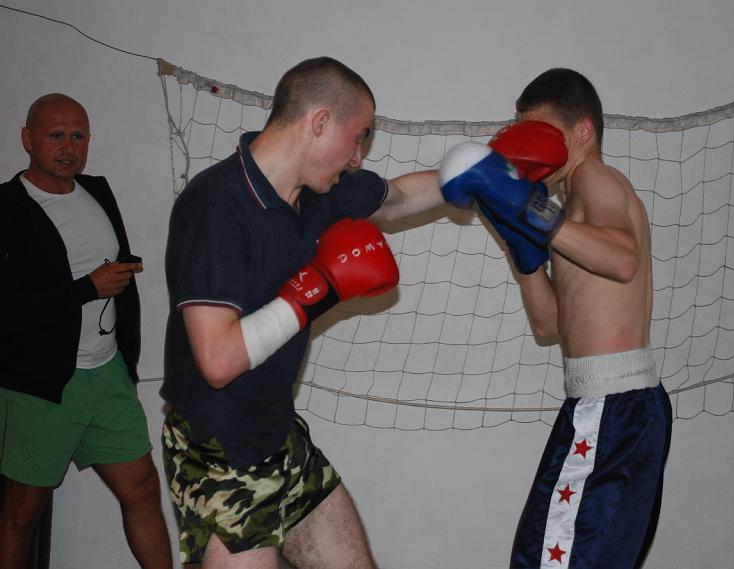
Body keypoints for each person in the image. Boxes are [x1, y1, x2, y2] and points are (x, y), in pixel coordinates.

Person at [160, 56, 445, 568]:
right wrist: (319, 288)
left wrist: (482, 175)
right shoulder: (216, 205)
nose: (356, 158)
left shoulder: (316, 195)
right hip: (218, 449)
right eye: (357, 137)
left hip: (277, 433)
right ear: (319, 123)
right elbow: (217, 359)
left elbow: (399, 198)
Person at [438, 69, 672, 568]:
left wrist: (536, 216)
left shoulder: (595, 178)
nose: (529, 145)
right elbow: (550, 325)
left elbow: (623, 258)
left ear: (583, 131)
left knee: (544, 558)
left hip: (611, 407)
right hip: (608, 406)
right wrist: (523, 252)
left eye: (541, 131)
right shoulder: (569, 208)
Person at [0, 94, 173, 569]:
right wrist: (86, 289)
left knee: (142, 487)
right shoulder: (7, 208)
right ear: (28, 139)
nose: (68, 147)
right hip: (43, 387)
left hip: (107, 373)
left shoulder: (96, 190)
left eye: (78, 136)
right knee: (22, 513)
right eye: (56, 135)